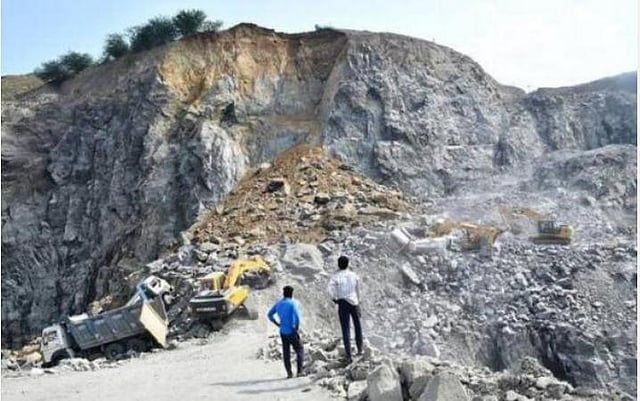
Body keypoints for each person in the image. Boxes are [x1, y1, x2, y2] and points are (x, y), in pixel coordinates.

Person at [328, 255, 363, 363]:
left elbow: (329, 289)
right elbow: (358, 290)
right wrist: (358, 302)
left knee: (345, 329)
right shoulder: (354, 275)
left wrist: (334, 298)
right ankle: (360, 350)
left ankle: (349, 355)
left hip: (343, 303)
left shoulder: (335, 277)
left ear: (338, 264)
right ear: (348, 264)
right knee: (358, 326)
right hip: (354, 302)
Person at [267, 285, 305, 378]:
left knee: (286, 352)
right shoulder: (292, 303)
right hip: (291, 330)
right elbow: (297, 317)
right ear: (291, 294)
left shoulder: (279, 303)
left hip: (282, 331)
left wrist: (277, 323)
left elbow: (269, 315)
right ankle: (299, 372)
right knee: (300, 349)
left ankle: (289, 373)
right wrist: (296, 328)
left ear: (283, 293)